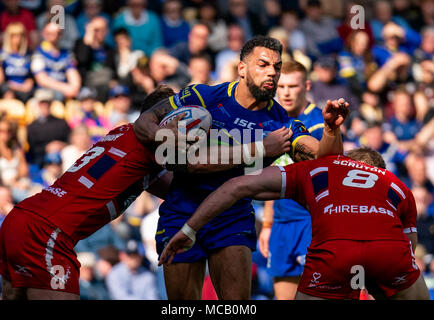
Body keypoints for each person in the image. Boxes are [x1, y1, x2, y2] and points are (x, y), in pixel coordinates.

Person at [0, 84, 290, 300]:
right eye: (180, 117)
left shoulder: (123, 137)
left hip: (22, 218)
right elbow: (197, 166)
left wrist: (232, 191)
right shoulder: (155, 147)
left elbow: (176, 189)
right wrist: (261, 149)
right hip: (48, 232)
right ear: (163, 119)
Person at [133, 35, 349, 300]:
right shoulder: (203, 96)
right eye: (263, 64)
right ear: (242, 68)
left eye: (277, 66)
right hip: (181, 211)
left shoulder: (280, 123)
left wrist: (330, 130)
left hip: (232, 218)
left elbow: (326, 162)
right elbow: (144, 121)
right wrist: (164, 138)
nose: (272, 72)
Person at [160, 147, 430, 300]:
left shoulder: (320, 167)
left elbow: (237, 186)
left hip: (334, 250)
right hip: (389, 251)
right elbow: (410, 247)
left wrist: (189, 228)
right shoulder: (397, 184)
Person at [258, 60, 324, 300]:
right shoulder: (271, 119)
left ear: (306, 86)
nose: (285, 92)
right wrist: (267, 224)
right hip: (281, 223)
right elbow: (273, 173)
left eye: (292, 86)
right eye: (281, 86)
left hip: (311, 221)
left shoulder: (319, 124)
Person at [31, 23, 81, 101]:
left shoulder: (67, 54)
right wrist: (65, 88)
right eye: (50, 33)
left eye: (57, 33)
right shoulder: (38, 53)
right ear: (44, 34)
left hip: (67, 92)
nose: (54, 36)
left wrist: (74, 88)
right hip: (46, 92)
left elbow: (73, 74)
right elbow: (42, 80)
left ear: (61, 35)